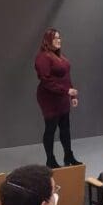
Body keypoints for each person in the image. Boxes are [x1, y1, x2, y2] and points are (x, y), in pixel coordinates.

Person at [35, 29, 82, 168]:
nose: (59, 40)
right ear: (47, 40)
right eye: (55, 38)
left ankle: (69, 155)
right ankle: (50, 159)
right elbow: (46, 80)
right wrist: (66, 91)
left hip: (61, 96)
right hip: (49, 97)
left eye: (59, 37)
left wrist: (72, 95)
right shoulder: (43, 57)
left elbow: (66, 77)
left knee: (65, 128)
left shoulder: (60, 57)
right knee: (51, 128)